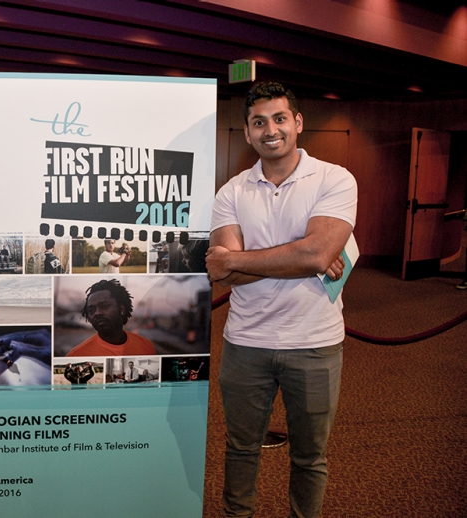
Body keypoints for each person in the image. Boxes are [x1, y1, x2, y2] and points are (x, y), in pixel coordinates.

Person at [206, 81, 357, 518]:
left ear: (298, 122)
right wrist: (303, 255)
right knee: (240, 448)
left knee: (310, 456)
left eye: (279, 118)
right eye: (259, 122)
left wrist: (247, 259)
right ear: (247, 132)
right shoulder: (231, 191)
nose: (270, 130)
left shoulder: (335, 179)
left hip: (315, 343)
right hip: (245, 343)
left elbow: (315, 255)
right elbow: (222, 272)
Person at [67, 279, 156, 356]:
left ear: (121, 309)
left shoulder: (145, 346)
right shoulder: (76, 355)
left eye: (104, 306)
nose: (97, 313)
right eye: (91, 310)